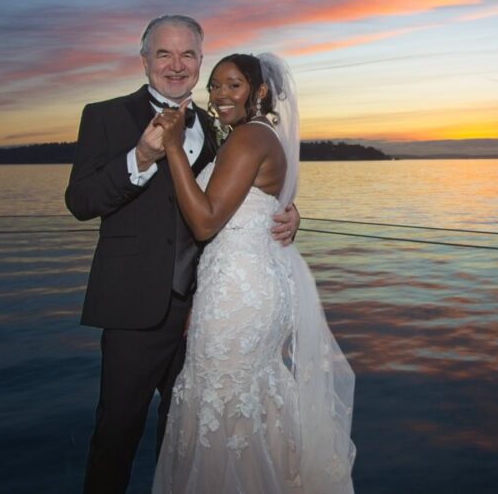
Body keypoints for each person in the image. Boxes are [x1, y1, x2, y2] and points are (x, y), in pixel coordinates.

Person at [65, 16, 301, 494]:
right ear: (145, 59)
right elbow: (81, 202)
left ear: (198, 60)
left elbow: (248, 191)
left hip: (211, 310)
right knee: (116, 434)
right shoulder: (104, 115)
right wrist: (141, 158)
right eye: (164, 54)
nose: (176, 66)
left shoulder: (222, 126)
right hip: (135, 308)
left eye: (188, 55)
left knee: (190, 435)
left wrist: (290, 212)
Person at [150, 53, 355, 493]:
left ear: (259, 91)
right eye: (215, 86)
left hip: (238, 293)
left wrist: (170, 149)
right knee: (249, 399)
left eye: (233, 85)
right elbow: (257, 204)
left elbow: (204, 221)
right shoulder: (259, 136)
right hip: (252, 284)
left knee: (222, 401)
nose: (220, 95)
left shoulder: (247, 139)